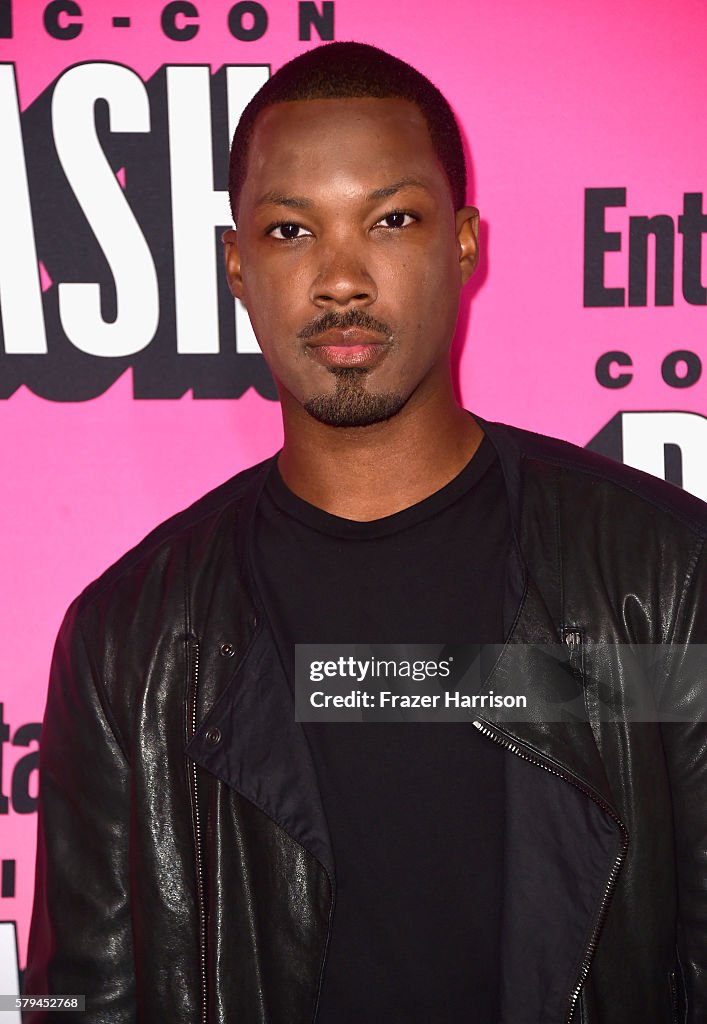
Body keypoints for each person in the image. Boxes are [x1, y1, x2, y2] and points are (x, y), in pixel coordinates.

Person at [24, 41, 706, 1024]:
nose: (341, 279)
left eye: (390, 219)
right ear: (234, 263)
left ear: (463, 243)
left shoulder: (662, 579)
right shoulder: (126, 642)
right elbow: (76, 1001)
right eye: (291, 229)